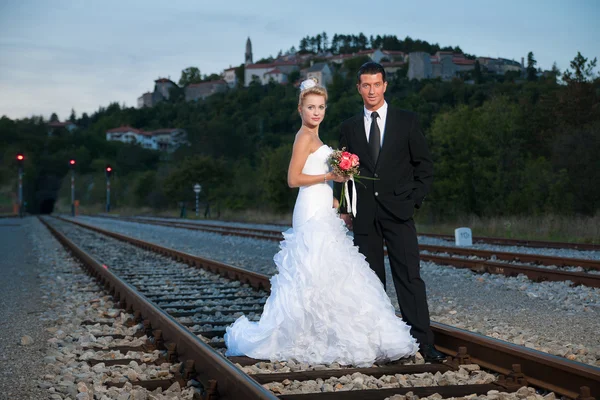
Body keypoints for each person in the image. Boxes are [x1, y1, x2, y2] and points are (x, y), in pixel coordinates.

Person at [224, 78, 419, 366]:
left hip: (323, 207)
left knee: (333, 270)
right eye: (311, 107)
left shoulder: (317, 137)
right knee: (311, 270)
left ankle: (330, 333)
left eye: (321, 107)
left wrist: (337, 199)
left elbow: (323, 180)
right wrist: (330, 176)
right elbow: (293, 179)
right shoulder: (303, 136)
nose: (316, 112)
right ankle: (306, 336)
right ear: (300, 109)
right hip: (308, 210)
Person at [337, 61, 444, 362]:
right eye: (365, 85)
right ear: (359, 88)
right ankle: (378, 344)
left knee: (409, 279)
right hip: (365, 216)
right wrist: (346, 209)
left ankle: (424, 343)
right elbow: (346, 176)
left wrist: (414, 201)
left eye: (376, 84)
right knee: (371, 282)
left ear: (385, 86)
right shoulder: (348, 127)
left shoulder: (406, 121)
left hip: (399, 212)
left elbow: (424, 166)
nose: (371, 90)